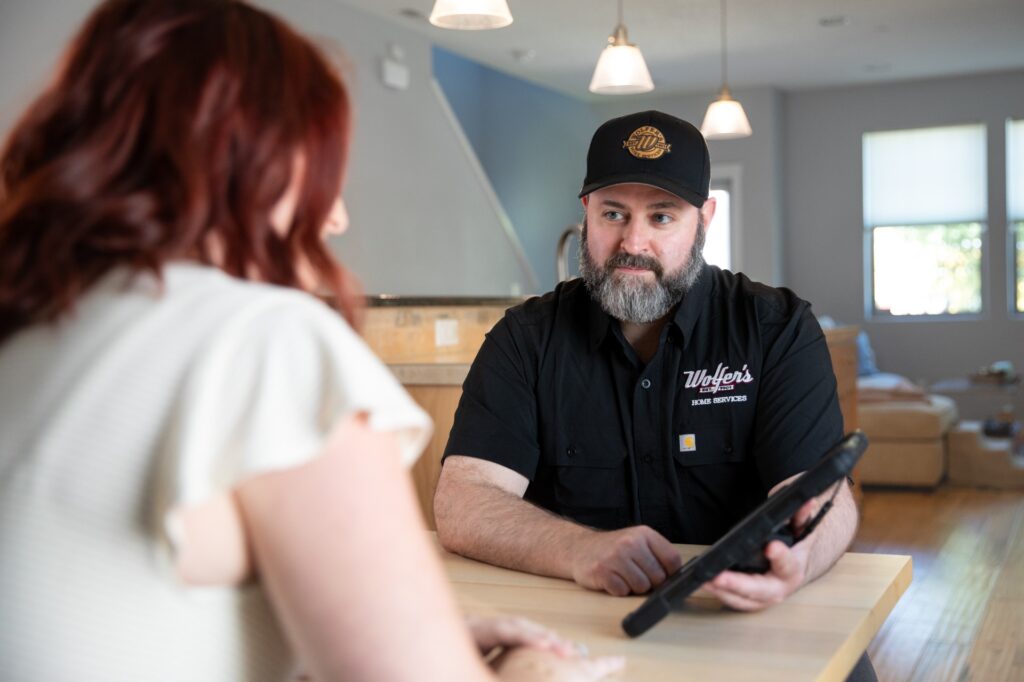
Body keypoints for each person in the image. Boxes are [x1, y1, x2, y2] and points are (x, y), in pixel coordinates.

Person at [0, 2, 624, 681]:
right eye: (321, 173)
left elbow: (135, 610)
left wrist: (395, 639)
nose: (337, 214)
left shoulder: (33, 331)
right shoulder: (262, 343)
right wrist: (529, 672)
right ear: (249, 166)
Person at [435, 110, 875, 679]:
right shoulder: (524, 341)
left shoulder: (776, 329)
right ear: (585, 213)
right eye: (613, 213)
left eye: (662, 216)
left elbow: (824, 495)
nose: (632, 242)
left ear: (704, 218)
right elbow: (463, 501)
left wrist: (801, 560)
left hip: (753, 623)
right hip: (583, 634)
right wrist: (579, 550)